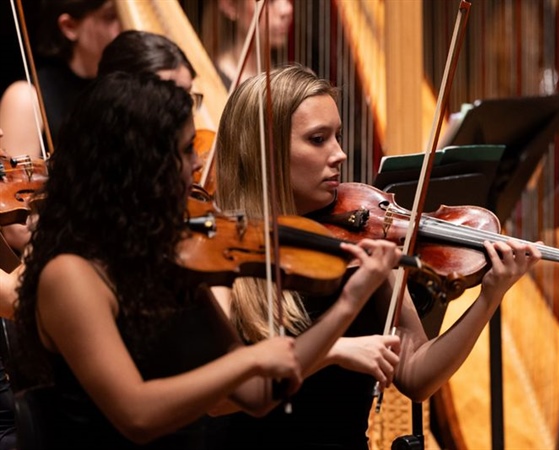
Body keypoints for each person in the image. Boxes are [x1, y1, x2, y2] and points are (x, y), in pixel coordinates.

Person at [12, 70, 402, 449]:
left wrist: (348, 305)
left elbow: (261, 393)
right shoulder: (71, 273)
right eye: (186, 151)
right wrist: (248, 361)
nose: (198, 166)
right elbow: (137, 416)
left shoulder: (171, 259)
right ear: (138, 164)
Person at [208, 64, 542, 450]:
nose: (340, 154)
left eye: (337, 136)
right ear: (262, 151)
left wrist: (489, 297)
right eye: (318, 140)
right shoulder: (224, 252)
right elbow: (217, 401)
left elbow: (416, 376)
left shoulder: (362, 238)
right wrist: (332, 352)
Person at [0, 0, 122, 159]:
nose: (126, 25)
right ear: (69, 26)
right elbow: (16, 182)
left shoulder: (137, 88)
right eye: (110, 16)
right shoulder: (26, 97)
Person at [202, 0, 293, 90]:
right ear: (230, 5)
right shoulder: (206, 83)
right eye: (270, 1)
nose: (286, 9)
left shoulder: (290, 79)